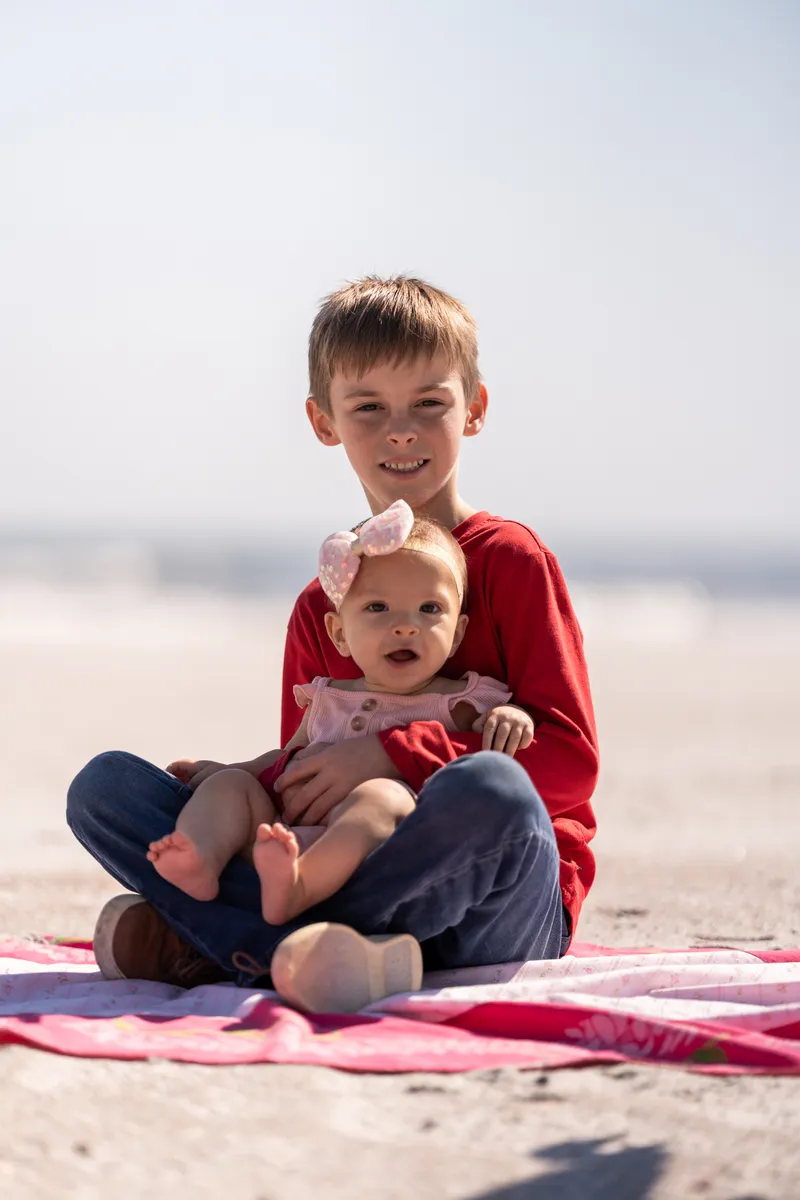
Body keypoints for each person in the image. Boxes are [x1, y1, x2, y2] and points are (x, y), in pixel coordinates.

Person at [67, 275, 599, 1014]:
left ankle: (234, 946)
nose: (400, 430)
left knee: (497, 791)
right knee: (107, 790)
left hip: (496, 903)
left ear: (474, 409)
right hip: (338, 874)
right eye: (369, 408)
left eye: (428, 404)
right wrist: (251, 775)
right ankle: (330, 954)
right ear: (325, 422)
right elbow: (306, 790)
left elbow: (569, 768)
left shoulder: (511, 561)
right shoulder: (326, 601)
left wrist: (393, 753)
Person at [146, 500, 532, 943]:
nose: (405, 626)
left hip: (375, 858)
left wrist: (512, 714)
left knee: (382, 796)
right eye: (377, 609)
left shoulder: (459, 699)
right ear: (339, 634)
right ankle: (202, 858)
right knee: (226, 789)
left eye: (429, 610)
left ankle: (301, 888)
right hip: (284, 835)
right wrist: (230, 772)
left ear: (458, 633)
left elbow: (492, 755)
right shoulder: (328, 697)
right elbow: (287, 758)